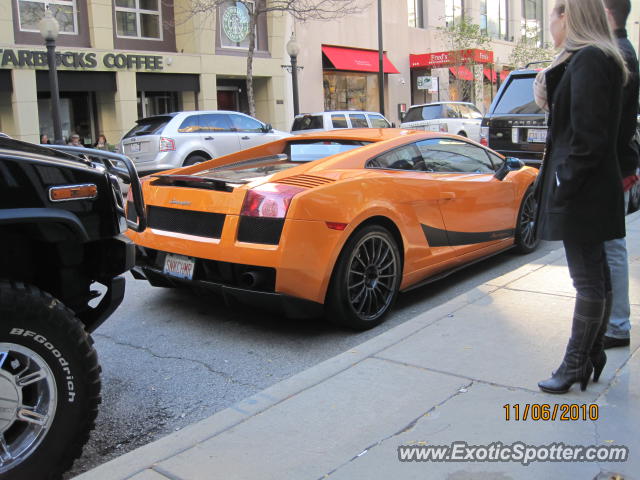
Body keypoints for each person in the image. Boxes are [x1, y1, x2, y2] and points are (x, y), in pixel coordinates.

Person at [534, 0, 629, 394]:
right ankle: (589, 355)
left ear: (567, 16)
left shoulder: (590, 59)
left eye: (553, 18)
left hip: (584, 191)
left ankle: (576, 362)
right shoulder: (600, 57)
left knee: (588, 279)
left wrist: (562, 185)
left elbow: (586, 140)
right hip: (595, 188)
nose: (551, 27)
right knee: (598, 277)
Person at [601, 0, 639, 349]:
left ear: (608, 13)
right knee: (611, 245)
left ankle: (617, 324)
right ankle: (614, 320)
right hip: (619, 166)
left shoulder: (619, 54)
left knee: (612, 246)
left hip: (614, 169)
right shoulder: (622, 50)